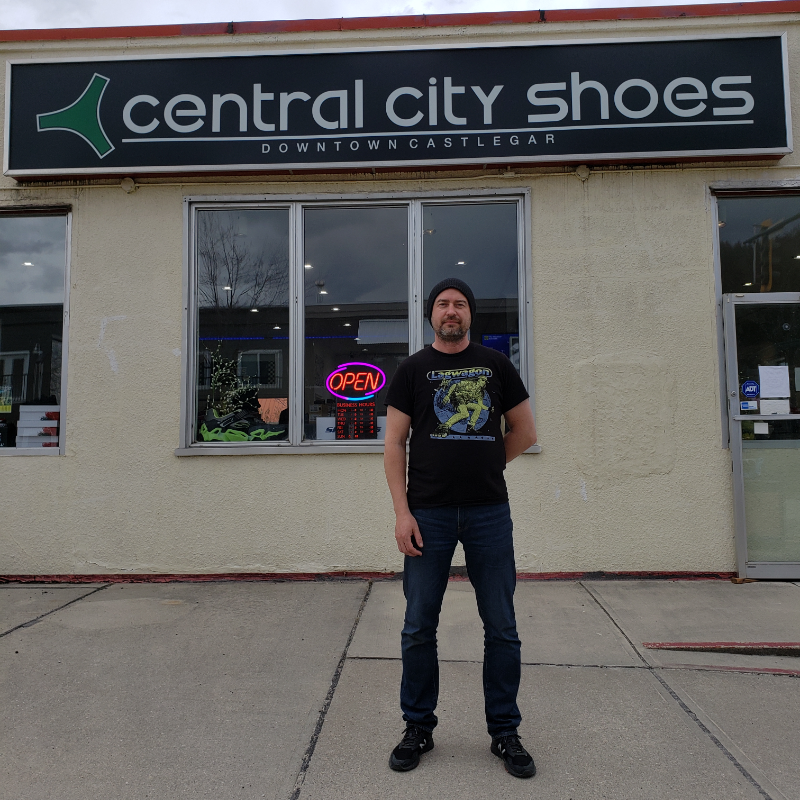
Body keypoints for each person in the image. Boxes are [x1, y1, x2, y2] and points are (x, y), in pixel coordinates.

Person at [383, 277, 538, 779]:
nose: (452, 311)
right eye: (444, 304)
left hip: (488, 512)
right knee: (417, 626)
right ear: (432, 315)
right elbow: (394, 445)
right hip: (426, 513)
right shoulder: (411, 369)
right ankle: (418, 727)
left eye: (461, 304)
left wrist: (489, 464)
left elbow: (526, 431)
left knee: (503, 628)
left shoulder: (496, 365)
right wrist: (402, 513)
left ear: (471, 314)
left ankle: (505, 732)